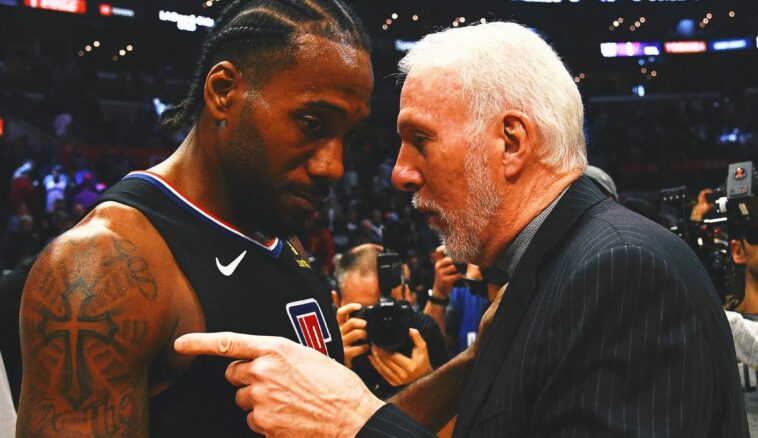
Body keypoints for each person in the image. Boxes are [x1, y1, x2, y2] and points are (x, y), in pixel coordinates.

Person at [176, 22, 748, 437]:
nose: (399, 173)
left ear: (511, 142)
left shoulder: (620, 271)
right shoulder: (554, 273)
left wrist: (356, 419)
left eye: (420, 139)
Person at [16, 1, 373, 436]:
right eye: (312, 124)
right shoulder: (102, 262)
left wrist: (469, 366)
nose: (333, 166)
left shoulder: (272, 227)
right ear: (223, 91)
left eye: (348, 138)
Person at [332, 244, 446, 399]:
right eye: (366, 312)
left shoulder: (423, 333)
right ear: (337, 301)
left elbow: (455, 421)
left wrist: (425, 382)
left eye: (390, 309)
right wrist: (336, 368)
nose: (381, 322)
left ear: (407, 296)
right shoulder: (326, 342)